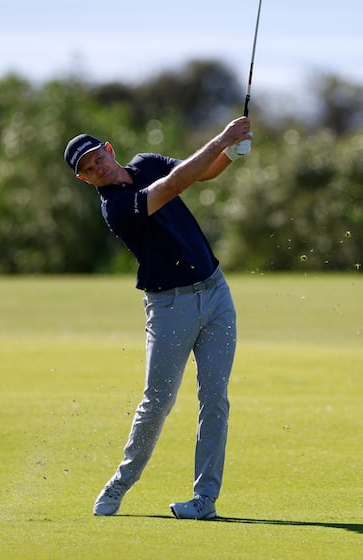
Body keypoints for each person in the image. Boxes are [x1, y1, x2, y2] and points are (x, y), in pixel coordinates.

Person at [64, 116, 253, 520]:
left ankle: (204, 500)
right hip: (170, 308)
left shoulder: (147, 162)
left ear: (109, 150)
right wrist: (221, 137)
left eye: (97, 158)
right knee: (157, 404)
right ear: (84, 180)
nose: (97, 168)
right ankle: (119, 484)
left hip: (216, 293)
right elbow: (174, 186)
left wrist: (232, 152)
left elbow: (201, 173)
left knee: (215, 398)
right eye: (88, 170)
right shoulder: (115, 208)